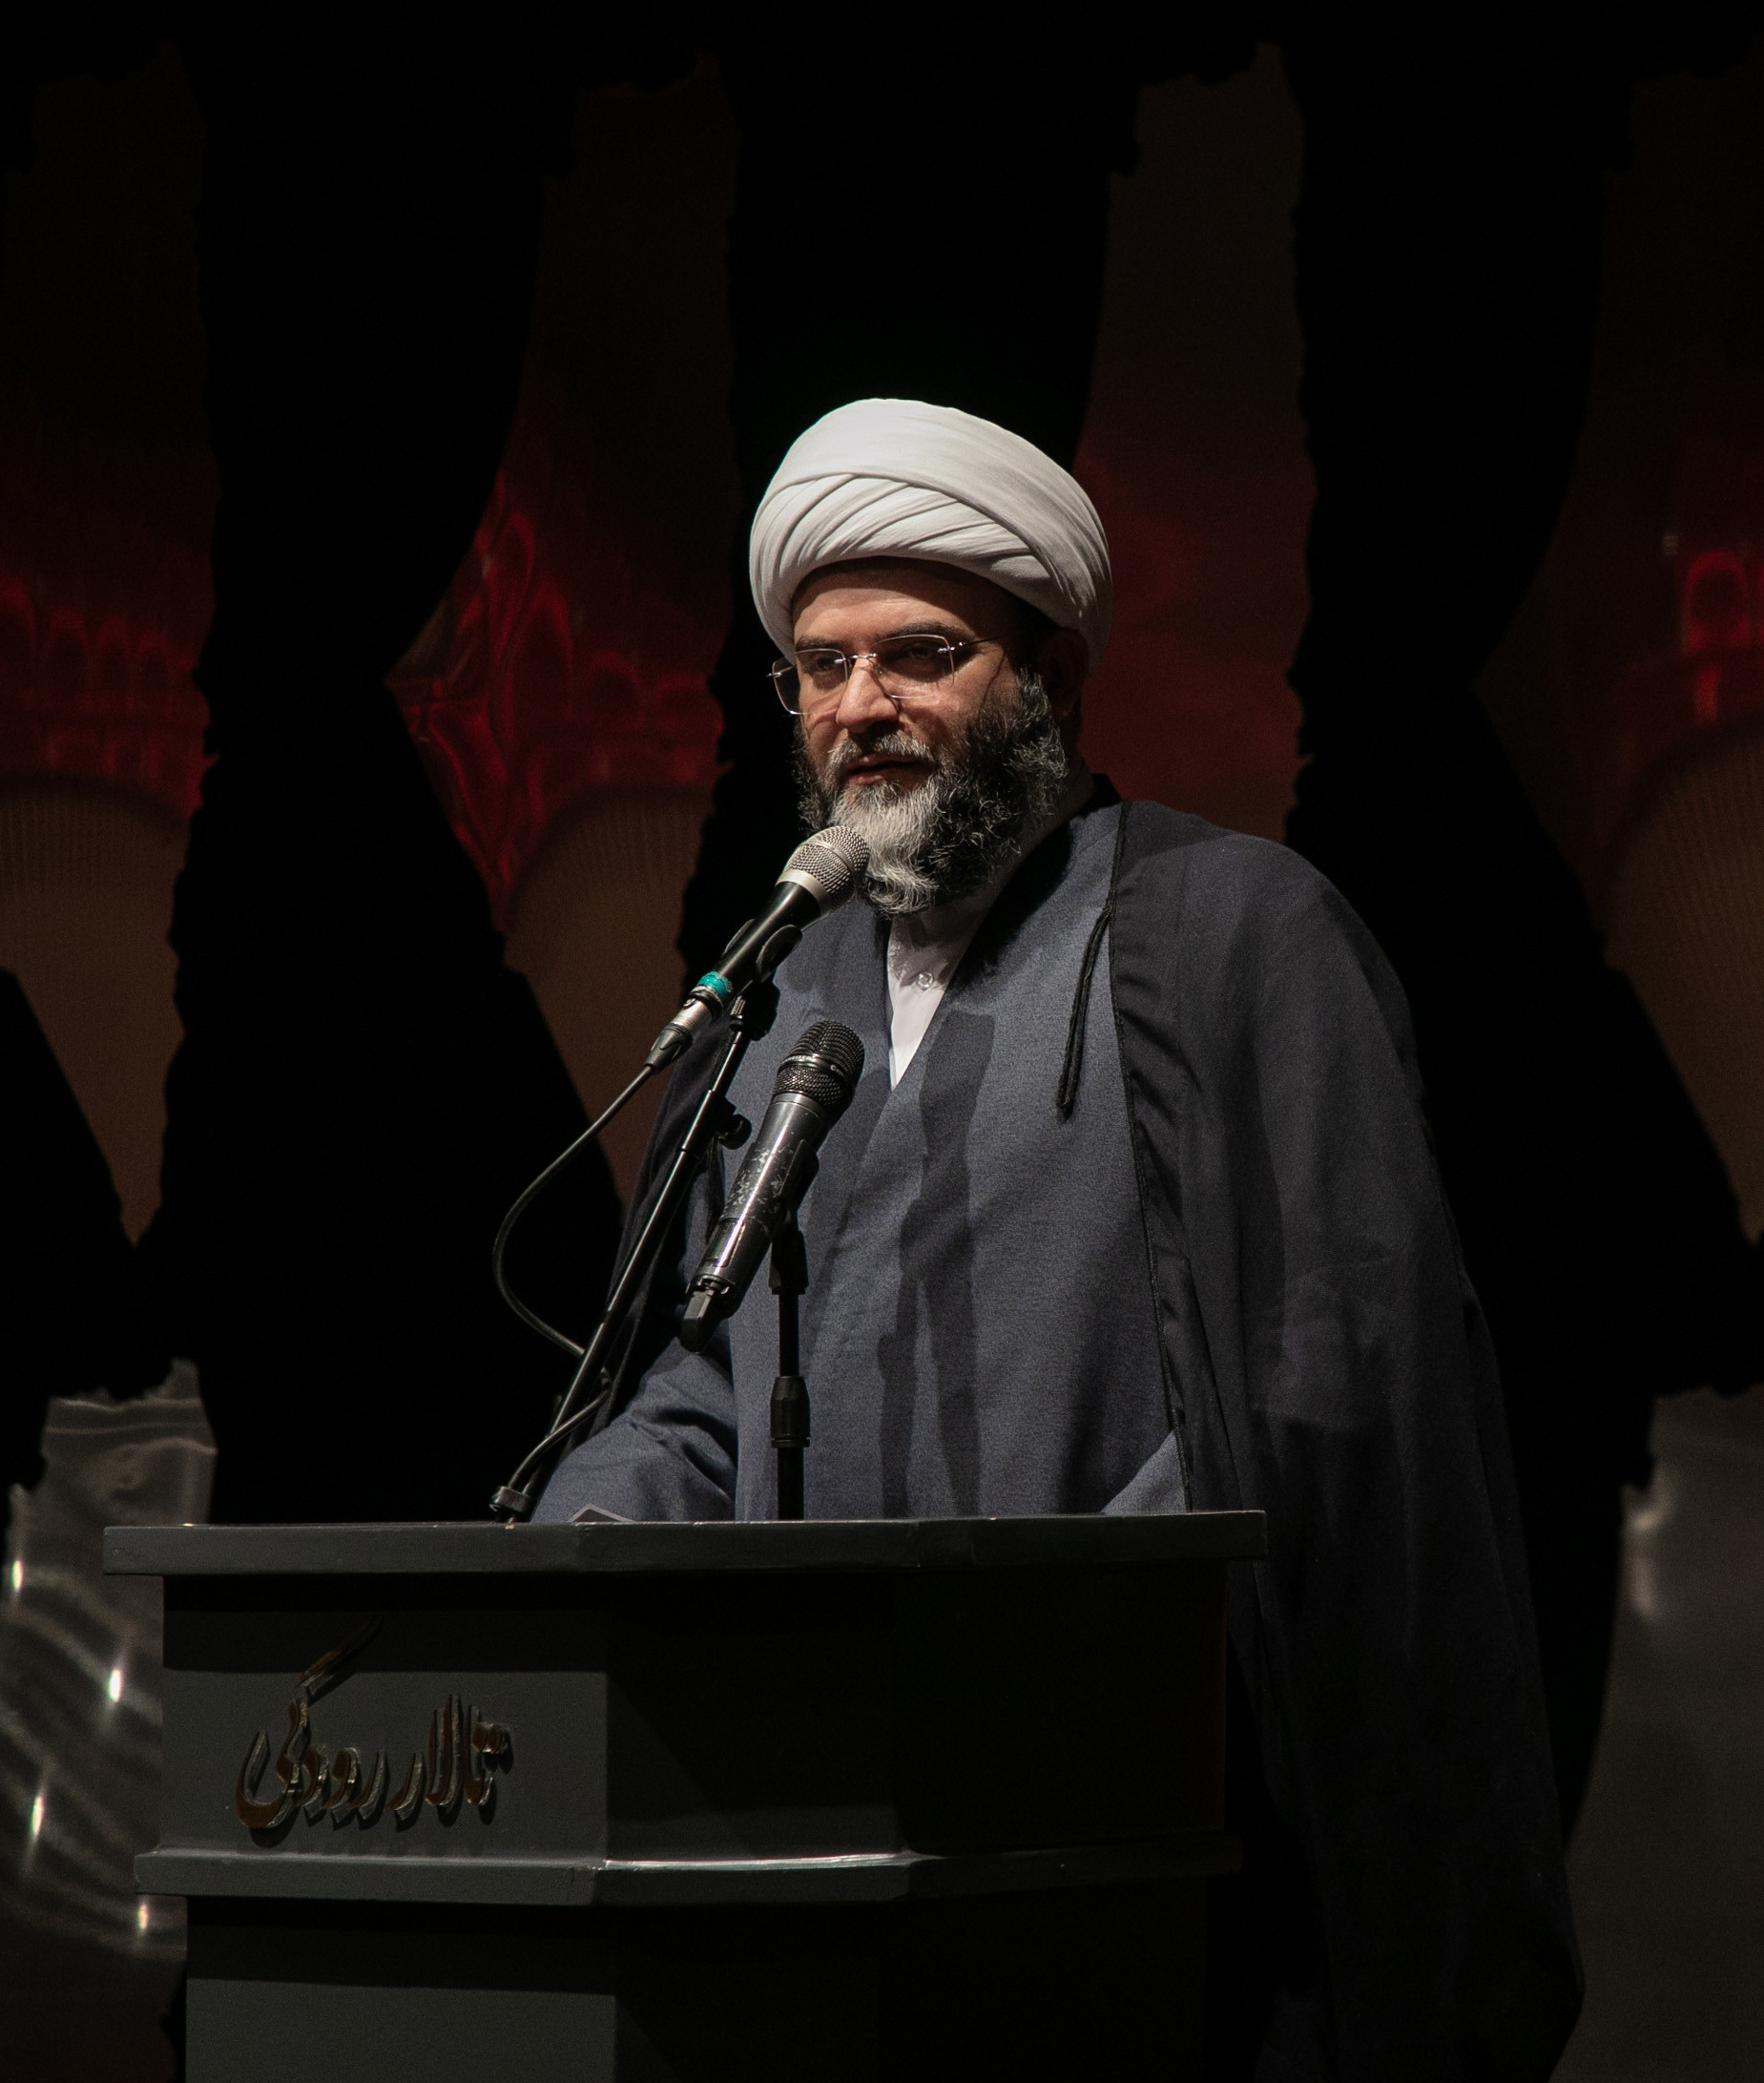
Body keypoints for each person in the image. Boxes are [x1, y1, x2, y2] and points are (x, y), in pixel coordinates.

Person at [538, 398, 1577, 2077]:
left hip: (1118, 1840)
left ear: (1054, 677)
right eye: (820, 667)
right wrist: (590, 1539)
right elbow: (701, 1384)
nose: (858, 706)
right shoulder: (780, 994)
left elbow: (1330, 1393)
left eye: (920, 654)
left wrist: (1040, 1648)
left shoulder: (1234, 933)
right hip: (796, 1842)